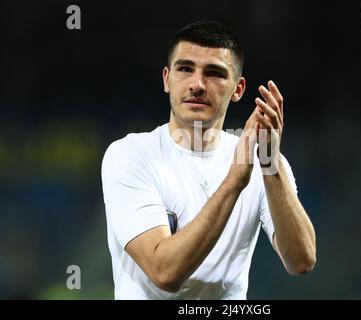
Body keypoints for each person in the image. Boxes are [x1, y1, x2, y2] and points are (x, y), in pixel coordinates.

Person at [101, 21, 316, 300]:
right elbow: (165, 272)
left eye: (214, 73)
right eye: (185, 69)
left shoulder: (263, 161)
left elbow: (301, 261)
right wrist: (234, 182)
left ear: (238, 89)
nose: (198, 85)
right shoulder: (131, 155)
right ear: (167, 79)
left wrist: (271, 163)